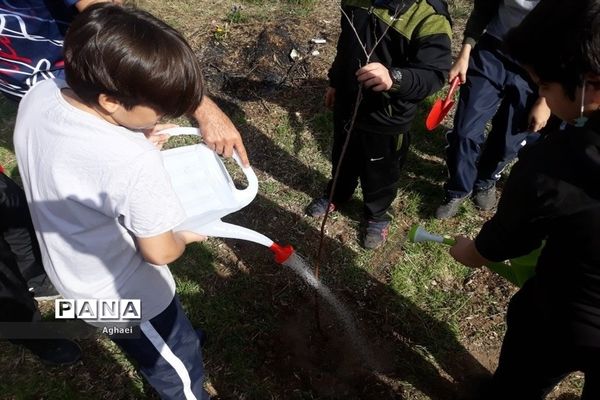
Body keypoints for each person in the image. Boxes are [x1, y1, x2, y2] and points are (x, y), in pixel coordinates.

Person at [14, 4, 213, 398]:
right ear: (110, 101)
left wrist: (134, 136)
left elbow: (74, 157)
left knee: (131, 336)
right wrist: (187, 236)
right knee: (175, 365)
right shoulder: (131, 162)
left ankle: (156, 342)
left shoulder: (41, 93)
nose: (162, 116)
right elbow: (159, 252)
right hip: (129, 294)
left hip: (73, 281)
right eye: (157, 109)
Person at [449, 0, 600, 397]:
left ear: (589, 83)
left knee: (520, 379)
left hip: (566, 313)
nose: (542, 96)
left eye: (545, 86)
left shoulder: (554, 164)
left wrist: (473, 251)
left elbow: (509, 238)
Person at [306, 0, 452, 249]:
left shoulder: (429, 16)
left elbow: (434, 74)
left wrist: (394, 78)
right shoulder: (355, 2)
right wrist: (334, 81)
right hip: (348, 104)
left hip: (388, 115)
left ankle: (377, 214)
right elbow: (346, 44)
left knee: (381, 172)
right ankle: (337, 194)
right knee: (342, 156)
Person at [434, 0, 552, 219]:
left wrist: (545, 99)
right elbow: (483, 9)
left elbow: (570, 42)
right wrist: (464, 54)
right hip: (494, 52)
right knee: (465, 131)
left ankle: (486, 180)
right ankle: (458, 188)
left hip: (538, 68)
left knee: (509, 139)